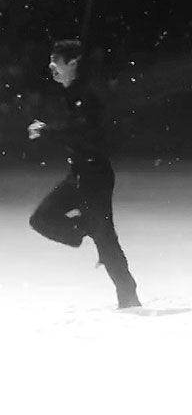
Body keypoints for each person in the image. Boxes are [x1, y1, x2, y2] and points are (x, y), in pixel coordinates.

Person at [28, 39, 140, 309]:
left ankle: (129, 299)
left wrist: (49, 131)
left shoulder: (87, 95)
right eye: (51, 62)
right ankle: (86, 227)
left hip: (95, 177)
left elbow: (85, 133)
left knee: (106, 243)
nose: (52, 68)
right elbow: (77, 132)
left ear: (73, 63)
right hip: (78, 174)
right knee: (41, 219)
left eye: (56, 62)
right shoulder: (72, 93)